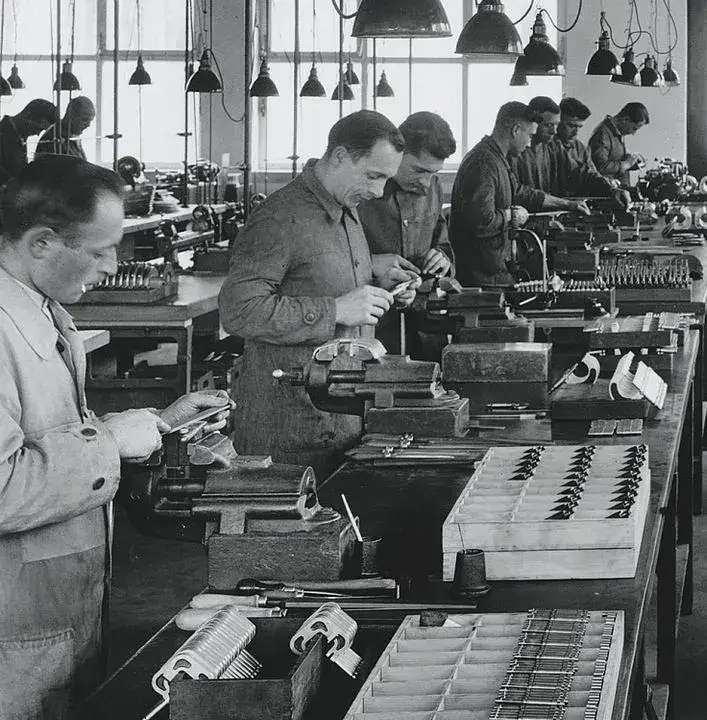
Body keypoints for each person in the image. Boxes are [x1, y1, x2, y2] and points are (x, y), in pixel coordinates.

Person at [0, 157, 231, 719]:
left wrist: (159, 425)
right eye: (100, 250)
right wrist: (108, 445)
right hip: (15, 625)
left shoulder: (45, 308)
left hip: (60, 603)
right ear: (40, 243)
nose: (113, 265)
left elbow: (47, 436)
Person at [219, 110, 421, 475]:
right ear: (341, 157)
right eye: (373, 176)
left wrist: (380, 291)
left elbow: (320, 282)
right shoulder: (280, 217)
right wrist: (336, 311)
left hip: (340, 414)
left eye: (385, 180)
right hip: (290, 426)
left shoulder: (346, 207)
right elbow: (238, 310)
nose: (378, 192)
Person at [450, 102, 586, 287]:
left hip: (494, 269)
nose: (530, 142)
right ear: (515, 130)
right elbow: (481, 222)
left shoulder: (498, 159)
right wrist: (510, 216)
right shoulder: (484, 163)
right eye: (529, 135)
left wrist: (566, 205)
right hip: (481, 277)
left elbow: (521, 193)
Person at [360, 111, 459, 357]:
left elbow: (443, 241)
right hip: (373, 330)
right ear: (396, 152)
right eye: (418, 171)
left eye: (433, 174)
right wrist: (371, 266)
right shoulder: (361, 193)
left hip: (425, 328)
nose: (426, 185)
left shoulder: (433, 186)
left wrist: (443, 258)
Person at [548, 98, 623, 200]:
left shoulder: (580, 147)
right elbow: (575, 170)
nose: (575, 132)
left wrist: (609, 184)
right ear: (558, 121)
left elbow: (593, 174)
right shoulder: (548, 146)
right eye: (571, 126)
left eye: (579, 127)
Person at [0, 99, 59, 190]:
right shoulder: (3, 133)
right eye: (37, 128)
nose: (38, 134)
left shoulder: (19, 136)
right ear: (27, 115)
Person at [590, 102, 651, 181]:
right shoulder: (602, 134)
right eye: (634, 128)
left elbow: (615, 160)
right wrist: (626, 164)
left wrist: (632, 163)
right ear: (626, 119)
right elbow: (600, 167)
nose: (633, 133)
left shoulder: (616, 133)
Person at [33, 97, 93, 161]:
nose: (88, 125)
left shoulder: (72, 135)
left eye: (90, 121)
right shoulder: (55, 137)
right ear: (70, 115)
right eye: (85, 120)